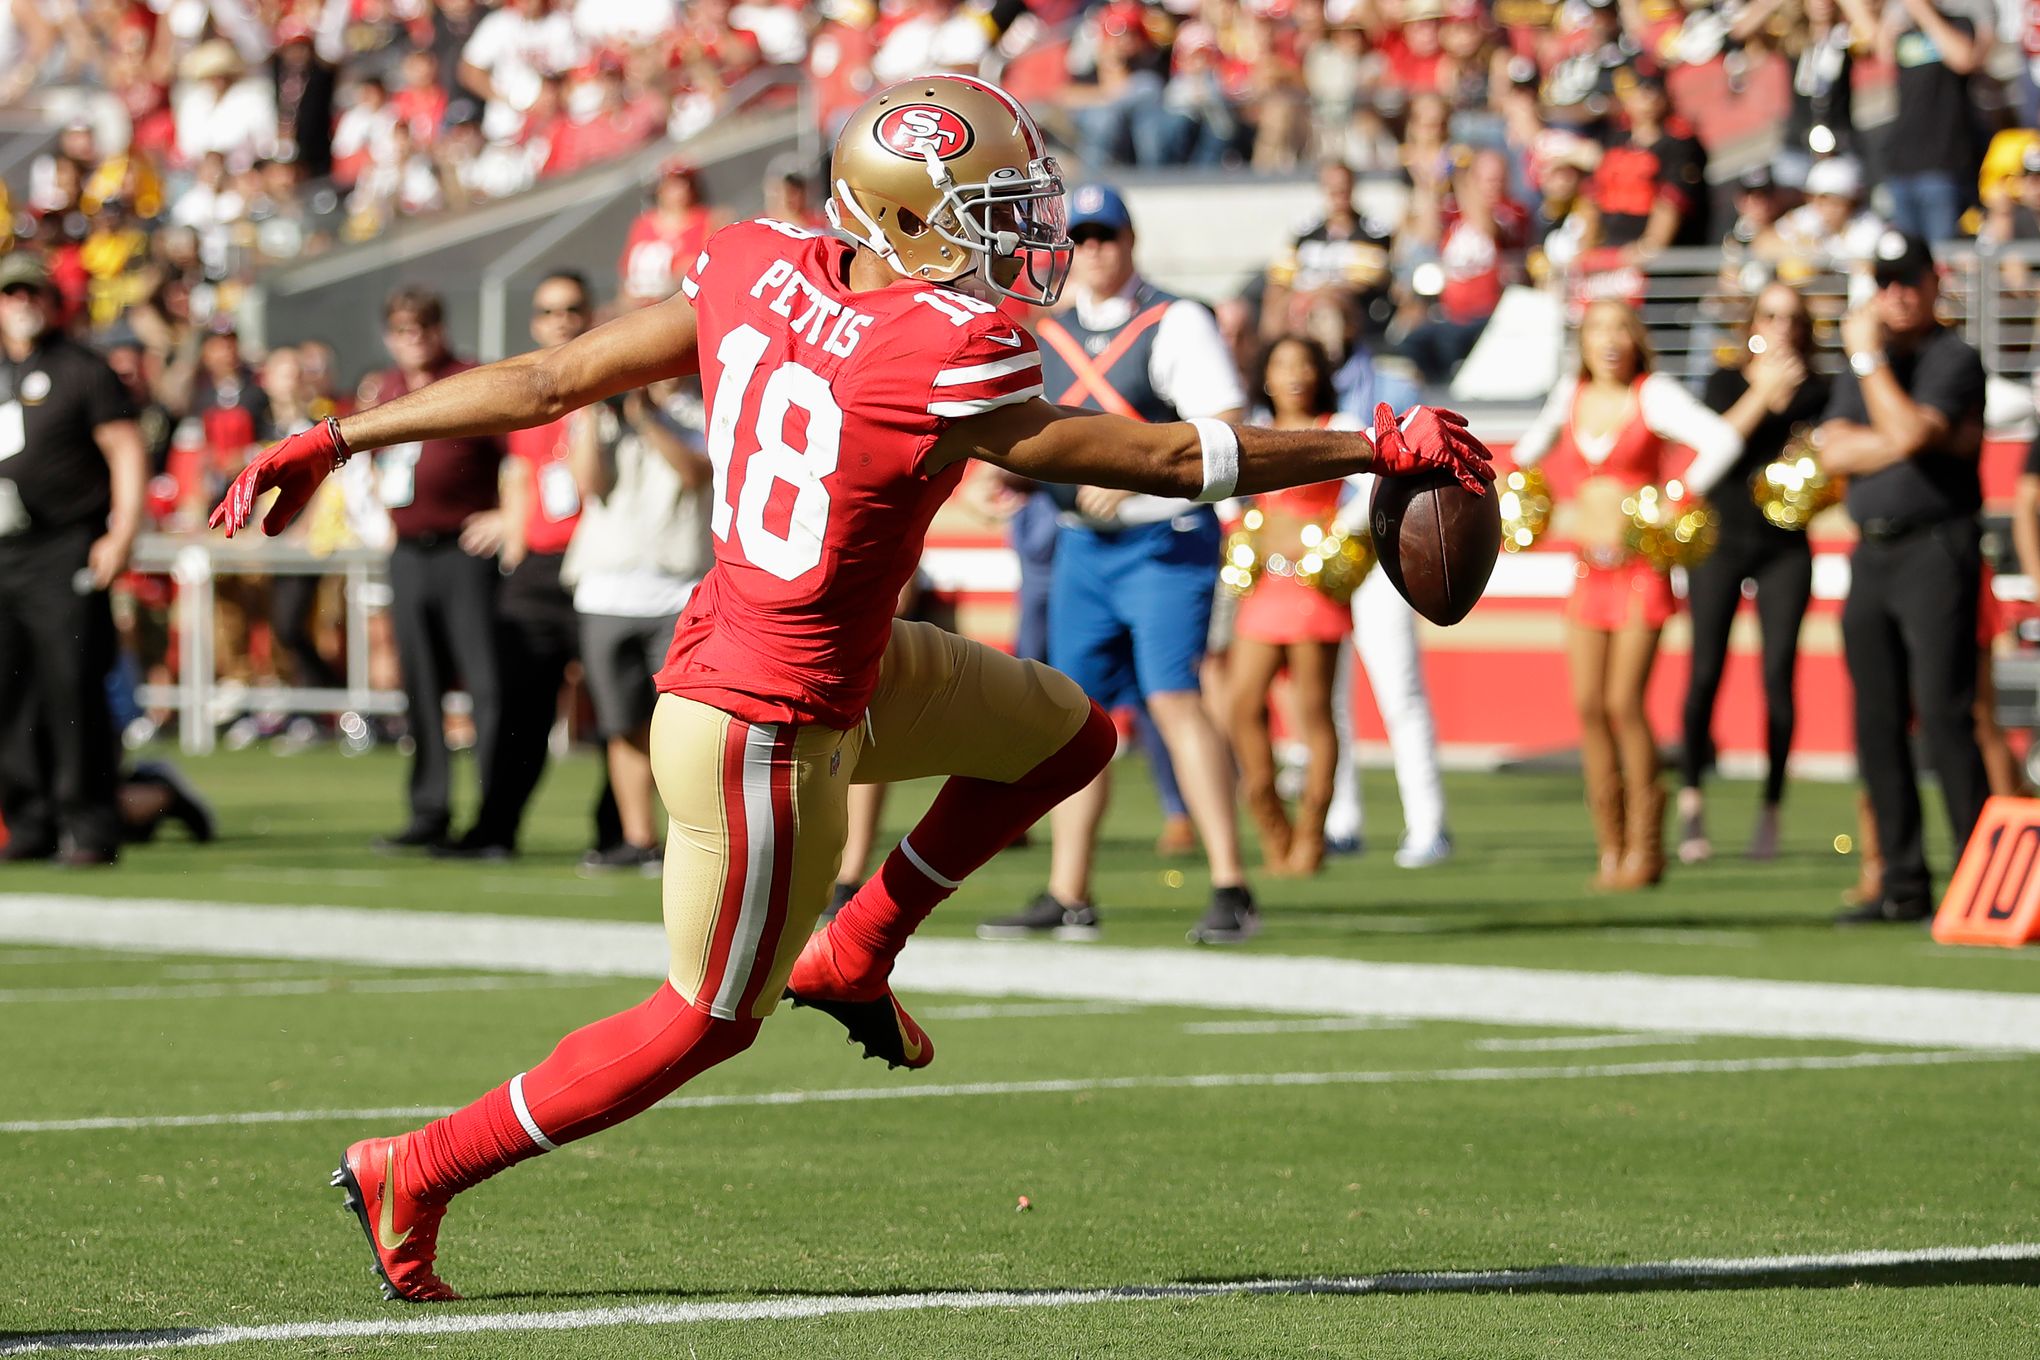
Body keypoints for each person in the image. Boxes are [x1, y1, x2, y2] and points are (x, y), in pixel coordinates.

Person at [211, 72, 1491, 1303]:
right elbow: (1155, 456)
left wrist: (337, 432)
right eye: (989, 216)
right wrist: (1365, 438)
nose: (1016, 241)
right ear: (902, 218)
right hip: (756, 724)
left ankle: (859, 945)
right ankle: (414, 1168)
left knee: (1066, 737)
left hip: (841, 667)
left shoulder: (753, 263)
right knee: (704, 1021)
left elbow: (546, 382)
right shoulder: (944, 348)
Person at [981, 182, 1259, 945]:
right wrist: (1002, 474)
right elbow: (1033, 433)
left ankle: (1231, 884)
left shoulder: (1174, 320)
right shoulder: (1051, 331)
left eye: (1109, 237)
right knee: (1076, 719)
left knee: (1174, 699)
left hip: (1164, 537)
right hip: (1080, 546)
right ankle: (1068, 891)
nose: (1097, 251)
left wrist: (1131, 476)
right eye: (1086, 238)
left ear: (1131, 243)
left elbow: (1226, 426)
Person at [1513, 299, 1742, 889]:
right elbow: (1525, 454)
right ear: (1582, 342)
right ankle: (1610, 849)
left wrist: (1677, 494)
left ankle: (1646, 847)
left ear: (1637, 338)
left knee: (1623, 703)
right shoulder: (1571, 395)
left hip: (1642, 570)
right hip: (1589, 571)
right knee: (1588, 706)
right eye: (1597, 330)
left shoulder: (1654, 394)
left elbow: (1720, 441)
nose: (1610, 340)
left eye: (1621, 329)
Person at [1818, 230, 1989, 923]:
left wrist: (1869, 368)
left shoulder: (1954, 356)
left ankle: (1982, 882)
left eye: (1908, 281)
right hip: (1874, 551)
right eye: (1886, 283)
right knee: (1876, 721)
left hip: (1935, 547)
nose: (1897, 295)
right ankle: (1903, 883)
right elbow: (1832, 450)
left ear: (1932, 282)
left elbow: (1918, 434)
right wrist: (1896, 432)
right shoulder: (1870, 371)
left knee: (1947, 717)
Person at [439, 271, 620, 861]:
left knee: (618, 714)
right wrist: (511, 530)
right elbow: (518, 472)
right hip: (539, 568)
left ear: (590, 314)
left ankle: (620, 835)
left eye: (572, 308)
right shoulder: (528, 388)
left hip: (599, 565)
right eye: (548, 311)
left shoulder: (615, 383)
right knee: (518, 710)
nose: (560, 320)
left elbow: (600, 482)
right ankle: (495, 827)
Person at [0, 252, 147, 865]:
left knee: (72, 687)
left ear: (51, 300)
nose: (22, 303)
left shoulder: (81, 368)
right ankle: (26, 820)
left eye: (32, 292)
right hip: (3, 548)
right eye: (11, 294)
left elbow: (126, 451)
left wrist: (122, 533)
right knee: (8, 688)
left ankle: (88, 822)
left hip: (65, 545)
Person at [1680, 283, 1828, 864]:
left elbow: (1824, 474)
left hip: (1784, 547)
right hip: (1721, 541)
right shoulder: (1724, 383)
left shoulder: (1820, 391)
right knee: (1705, 672)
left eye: (1792, 317)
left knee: (1777, 677)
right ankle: (1692, 804)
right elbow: (1711, 449)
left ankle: (1770, 813)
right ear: (1751, 322)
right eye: (1770, 314)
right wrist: (1762, 396)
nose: (1781, 326)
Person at [361, 288, 507, 852]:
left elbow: (514, 453)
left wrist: (504, 515)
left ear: (440, 327)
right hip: (408, 551)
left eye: (422, 324)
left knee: (485, 684)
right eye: (401, 326)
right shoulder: (385, 389)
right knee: (418, 684)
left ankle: (493, 814)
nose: (412, 335)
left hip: (462, 551)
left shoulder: (469, 378)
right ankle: (429, 809)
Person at [564, 378, 712, 873]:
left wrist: (647, 417)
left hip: (678, 589)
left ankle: (690, 838)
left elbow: (695, 473)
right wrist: (593, 416)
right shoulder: (603, 420)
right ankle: (637, 837)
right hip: (607, 589)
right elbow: (589, 484)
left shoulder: (705, 407)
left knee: (685, 726)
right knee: (621, 723)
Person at [1231, 336, 1355, 876]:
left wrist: (1334, 540)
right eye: (1281, 365)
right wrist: (1237, 531)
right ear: (1266, 376)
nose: (1294, 375)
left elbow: (1375, 486)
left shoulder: (1337, 428)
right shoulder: (1252, 432)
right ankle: (1270, 822)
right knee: (1241, 706)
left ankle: (1311, 835)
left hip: (1314, 590)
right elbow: (1220, 487)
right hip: (1263, 589)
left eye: (1305, 364)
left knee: (1313, 713)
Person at [1876, 0, 1987, 244]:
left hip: (1943, 163)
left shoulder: (1957, 23)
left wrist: (1922, 11)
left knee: (1943, 255)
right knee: (1908, 256)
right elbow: (1881, 54)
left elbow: (1964, 58)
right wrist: (1893, 15)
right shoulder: (1903, 32)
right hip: (1902, 163)